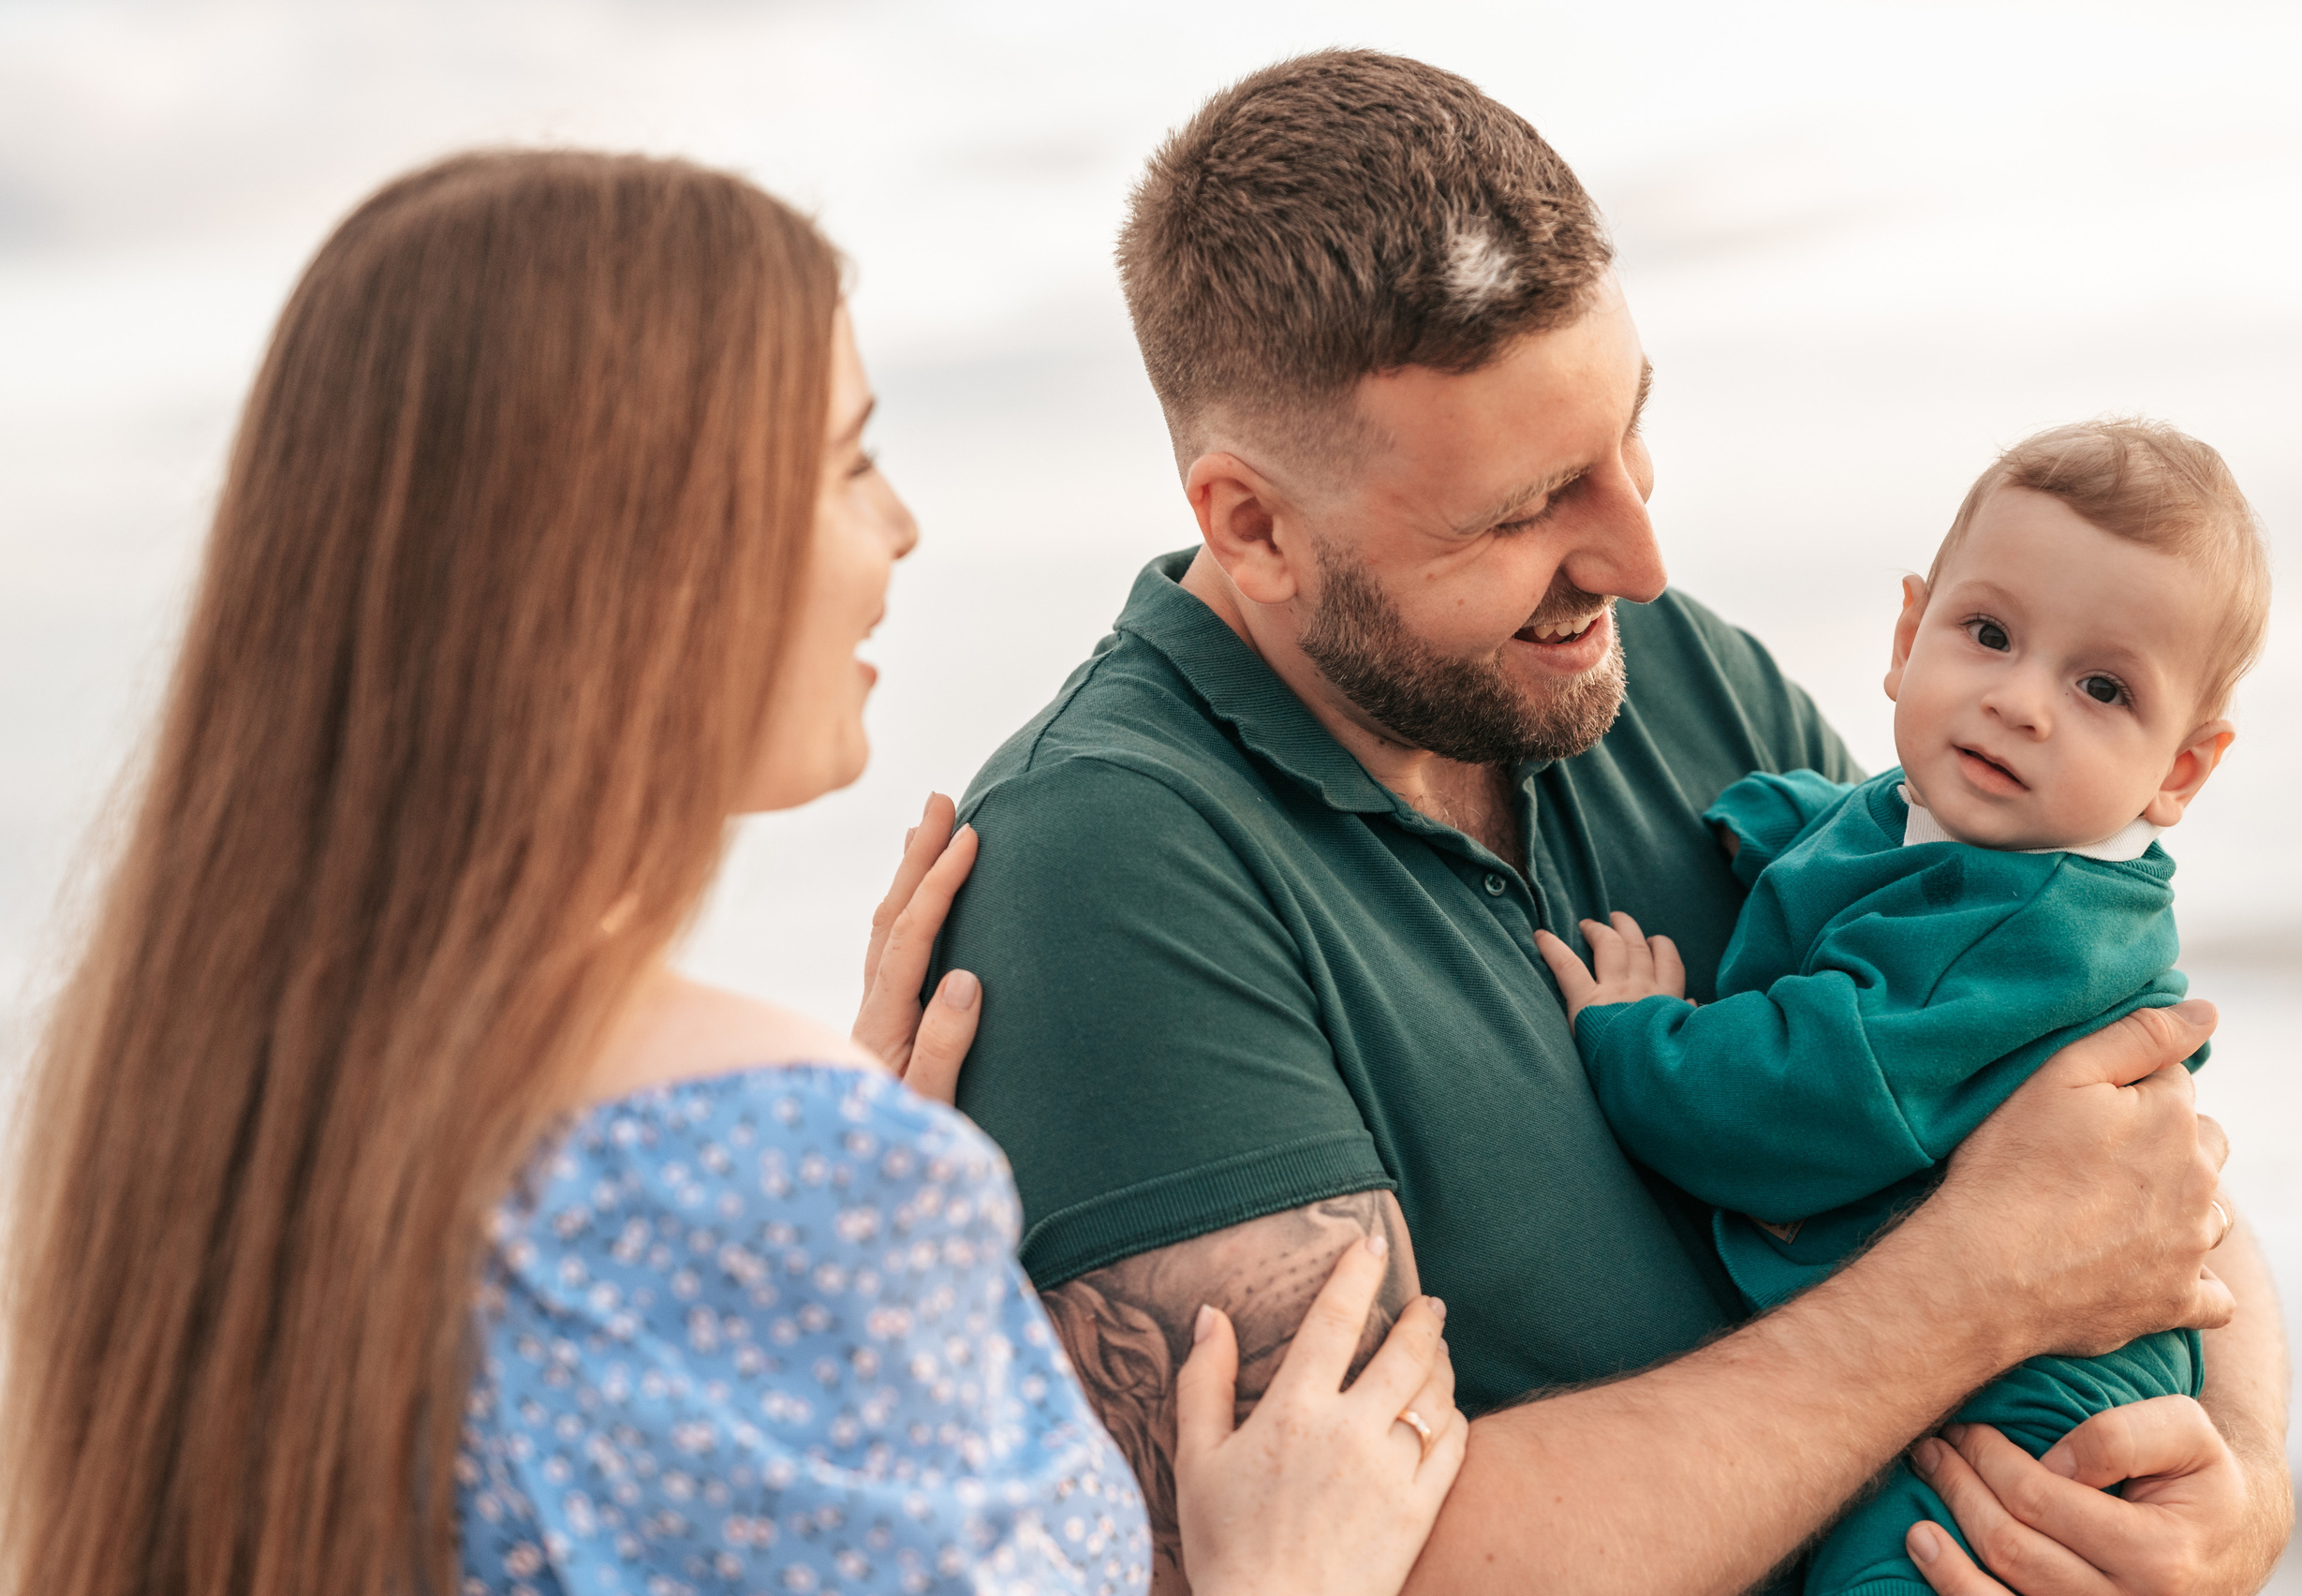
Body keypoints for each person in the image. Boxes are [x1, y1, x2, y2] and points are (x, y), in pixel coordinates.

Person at [0, 150, 1468, 1596]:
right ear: (633, 551)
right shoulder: (782, 1176)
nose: (899, 524)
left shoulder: (174, 1113)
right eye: (847, 460)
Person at [929, 51, 2293, 1596]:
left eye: (1629, 435)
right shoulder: (1110, 869)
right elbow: (1366, 1566)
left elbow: (2100, 1133)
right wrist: (1964, 1296)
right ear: (1251, 525)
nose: (1637, 553)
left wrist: (2233, 1497)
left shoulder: (1658, 670)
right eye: (1527, 506)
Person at [1536, 418, 2269, 1594]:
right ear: (1906, 634)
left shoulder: (2031, 925)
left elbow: (1798, 1099)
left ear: (2179, 769)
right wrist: (1772, 822)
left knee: (1906, 1570)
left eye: (2102, 688)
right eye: (1988, 634)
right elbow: (1862, 827)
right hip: (1950, 1352)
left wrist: (1638, 1033)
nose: (2022, 702)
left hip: (2032, 1413)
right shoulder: (1961, 811)